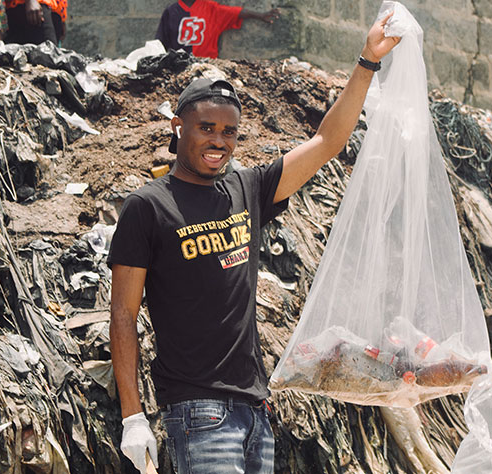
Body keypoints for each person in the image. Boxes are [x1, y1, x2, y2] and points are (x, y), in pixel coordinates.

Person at [109, 13, 400, 474]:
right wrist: (132, 416)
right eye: (206, 128)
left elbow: (327, 141)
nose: (218, 141)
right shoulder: (149, 206)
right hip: (198, 411)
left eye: (229, 132)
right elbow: (123, 313)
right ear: (177, 127)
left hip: (255, 411)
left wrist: (367, 61)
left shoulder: (248, 189)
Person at [155, 0, 279, 59]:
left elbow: (236, 13)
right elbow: (161, 41)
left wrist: (261, 15)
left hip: (207, 63)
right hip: (179, 64)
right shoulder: (171, 11)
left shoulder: (211, 8)